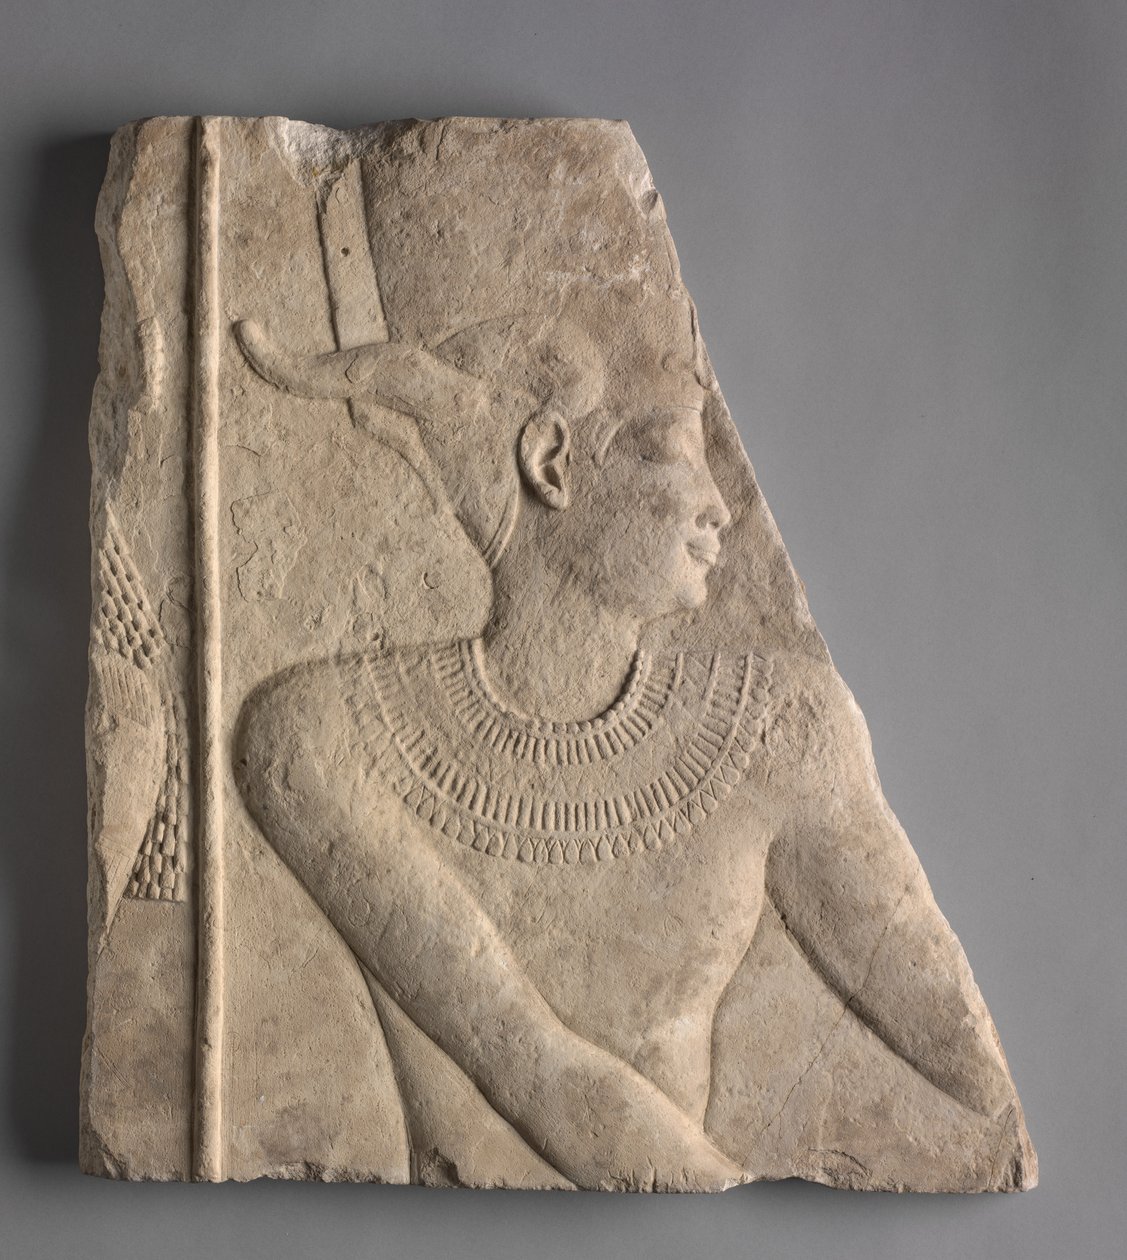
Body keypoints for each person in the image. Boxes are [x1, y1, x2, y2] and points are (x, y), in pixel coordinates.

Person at [233, 289, 1018, 1191]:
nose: (721, 506)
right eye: (670, 452)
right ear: (551, 465)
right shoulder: (322, 732)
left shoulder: (780, 725)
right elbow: (537, 1072)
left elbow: (953, 1049)